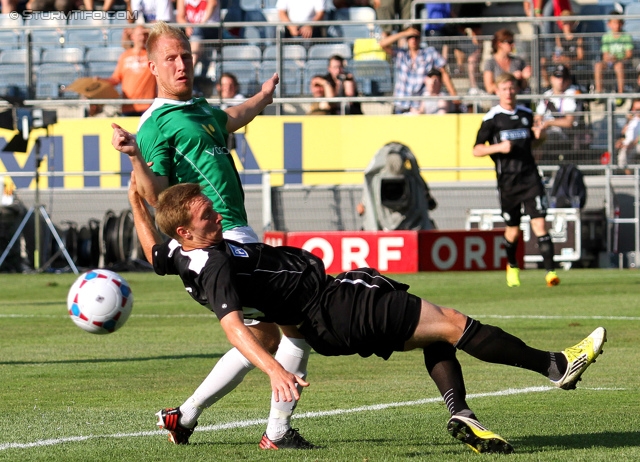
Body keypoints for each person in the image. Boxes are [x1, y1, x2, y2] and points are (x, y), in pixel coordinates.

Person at [128, 176, 607, 454]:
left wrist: (135, 199)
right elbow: (233, 327)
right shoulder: (211, 264)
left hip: (325, 305)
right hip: (333, 308)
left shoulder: (179, 250)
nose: (216, 218)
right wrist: (274, 370)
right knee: (452, 322)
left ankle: (462, 413)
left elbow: (153, 249)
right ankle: (556, 366)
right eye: (207, 217)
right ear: (189, 234)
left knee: (431, 329)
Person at [110, 21, 314, 450]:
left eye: (185, 55)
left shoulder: (201, 110)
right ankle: (277, 433)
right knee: (295, 317)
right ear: (153, 66)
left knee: (266, 335)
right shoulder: (155, 125)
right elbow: (157, 195)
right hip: (217, 239)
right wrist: (134, 158)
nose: (181, 64)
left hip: (238, 232)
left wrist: (263, 96)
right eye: (171, 58)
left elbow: (233, 118)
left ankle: (182, 416)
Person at [473, 73, 560, 288]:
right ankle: (512, 266)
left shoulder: (526, 114)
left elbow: (534, 143)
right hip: (508, 182)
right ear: (497, 91)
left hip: (530, 177)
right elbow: (476, 150)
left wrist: (540, 137)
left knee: (539, 223)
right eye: (504, 89)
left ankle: (550, 273)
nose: (509, 92)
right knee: (513, 229)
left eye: (511, 88)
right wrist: (498, 148)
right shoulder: (492, 119)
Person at [379, 24, 458, 114]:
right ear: (406, 39)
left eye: (416, 37)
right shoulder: (401, 53)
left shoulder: (429, 53)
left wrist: (454, 96)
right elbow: (382, 44)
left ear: (420, 38)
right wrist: (403, 33)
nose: (413, 40)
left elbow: (444, 72)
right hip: (400, 106)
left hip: (419, 108)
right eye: (410, 37)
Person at [101, 25, 157, 116]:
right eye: (139, 35)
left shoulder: (152, 55)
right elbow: (116, 79)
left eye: (145, 34)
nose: (142, 37)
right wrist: (100, 81)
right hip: (128, 106)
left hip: (147, 106)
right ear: (132, 37)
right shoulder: (125, 55)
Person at [534, 64, 582, 163]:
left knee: (543, 138)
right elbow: (538, 117)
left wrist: (548, 123)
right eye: (557, 77)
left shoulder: (571, 93)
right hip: (545, 131)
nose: (560, 81)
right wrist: (539, 125)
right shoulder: (547, 95)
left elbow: (569, 122)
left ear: (568, 80)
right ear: (551, 79)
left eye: (564, 78)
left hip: (564, 135)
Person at [593, 11, 633, 101]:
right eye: (614, 22)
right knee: (598, 66)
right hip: (609, 62)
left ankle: (620, 94)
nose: (617, 25)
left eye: (619, 22)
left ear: (622, 24)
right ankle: (599, 93)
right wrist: (608, 58)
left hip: (621, 62)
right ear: (609, 24)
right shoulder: (606, 37)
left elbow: (629, 54)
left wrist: (618, 59)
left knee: (619, 66)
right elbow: (605, 54)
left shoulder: (626, 37)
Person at [175, 0, 221, 71]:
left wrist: (201, 23)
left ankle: (191, 67)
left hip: (211, 29)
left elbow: (213, 3)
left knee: (197, 30)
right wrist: (187, 26)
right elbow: (180, 17)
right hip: (193, 32)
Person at [483, 29, 531, 95]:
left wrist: (524, 78)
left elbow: (524, 87)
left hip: (518, 102)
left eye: (513, 41)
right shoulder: (490, 63)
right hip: (499, 103)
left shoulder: (518, 61)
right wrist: (512, 77)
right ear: (499, 43)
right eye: (510, 42)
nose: (513, 45)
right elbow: (489, 88)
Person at [615, 98, 640, 174]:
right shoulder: (631, 120)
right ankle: (632, 180)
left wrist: (633, 143)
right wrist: (620, 141)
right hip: (629, 145)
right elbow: (624, 135)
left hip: (637, 145)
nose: (636, 111)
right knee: (622, 158)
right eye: (635, 109)